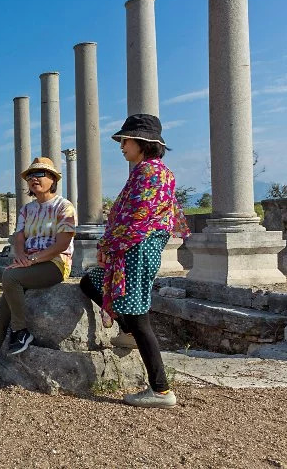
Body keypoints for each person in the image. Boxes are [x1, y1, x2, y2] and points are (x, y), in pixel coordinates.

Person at [79, 114, 189, 409]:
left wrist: (107, 244)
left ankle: (161, 389)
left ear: (142, 143)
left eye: (125, 140)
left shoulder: (149, 173)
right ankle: (128, 332)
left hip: (136, 250)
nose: (121, 146)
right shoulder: (154, 171)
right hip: (138, 249)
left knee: (140, 319)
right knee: (90, 282)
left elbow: (136, 219)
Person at [0, 157, 77, 381]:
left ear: (53, 179)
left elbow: (63, 243)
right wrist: (20, 256)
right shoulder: (27, 209)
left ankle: (21, 331)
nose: (33, 179)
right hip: (28, 264)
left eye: (40, 174)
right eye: (30, 176)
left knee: (10, 276)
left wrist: (34, 259)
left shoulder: (64, 206)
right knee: (1, 312)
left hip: (55, 264)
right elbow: (18, 236)